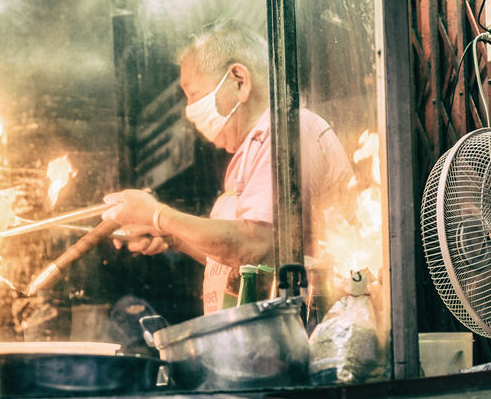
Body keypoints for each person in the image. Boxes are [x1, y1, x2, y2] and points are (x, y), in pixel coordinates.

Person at [103, 19, 352, 315]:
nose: (188, 110)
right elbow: (241, 265)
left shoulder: (288, 133)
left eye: (193, 94)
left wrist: (158, 215)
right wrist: (174, 238)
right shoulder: (252, 149)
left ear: (239, 81)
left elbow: (254, 245)